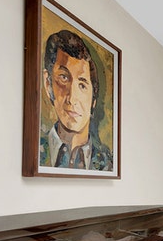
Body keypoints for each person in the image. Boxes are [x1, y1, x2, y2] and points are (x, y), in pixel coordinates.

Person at [39, 29, 113, 171]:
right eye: (64, 78)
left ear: (93, 100)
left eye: (82, 85)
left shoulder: (108, 164)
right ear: (48, 84)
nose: (72, 98)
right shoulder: (34, 151)